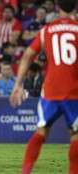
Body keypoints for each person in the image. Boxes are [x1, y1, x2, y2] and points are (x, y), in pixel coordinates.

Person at [9, 0, 78, 173]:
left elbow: (27, 56)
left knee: (41, 131)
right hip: (74, 92)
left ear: (57, 6)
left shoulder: (46, 30)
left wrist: (18, 85)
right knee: (76, 136)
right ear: (76, 7)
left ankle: (25, 171)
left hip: (51, 91)